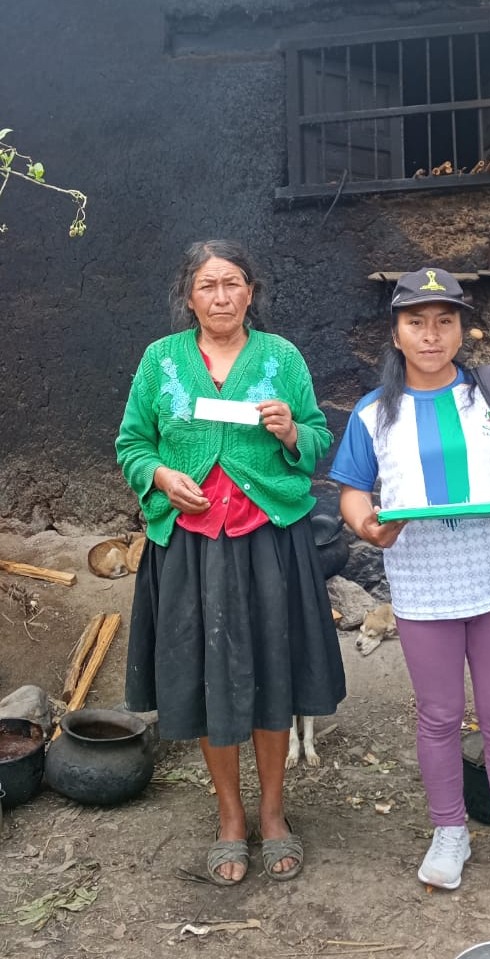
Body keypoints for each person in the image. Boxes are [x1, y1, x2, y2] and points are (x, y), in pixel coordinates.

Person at [116, 239, 345, 885]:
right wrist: (160, 474)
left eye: (234, 282)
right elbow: (132, 440)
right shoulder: (161, 360)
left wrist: (293, 432)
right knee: (209, 679)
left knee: (273, 674)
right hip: (190, 545)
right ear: (188, 295)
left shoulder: (281, 357)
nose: (222, 295)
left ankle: (274, 814)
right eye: (208, 284)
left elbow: (320, 436)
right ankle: (230, 817)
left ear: (252, 291)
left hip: (268, 538)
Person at [329, 267, 490, 900]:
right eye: (416, 323)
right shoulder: (375, 413)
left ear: (462, 329)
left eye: (445, 321)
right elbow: (353, 490)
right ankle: (449, 831)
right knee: (436, 716)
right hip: (424, 584)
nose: (431, 336)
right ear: (396, 333)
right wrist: (367, 526)